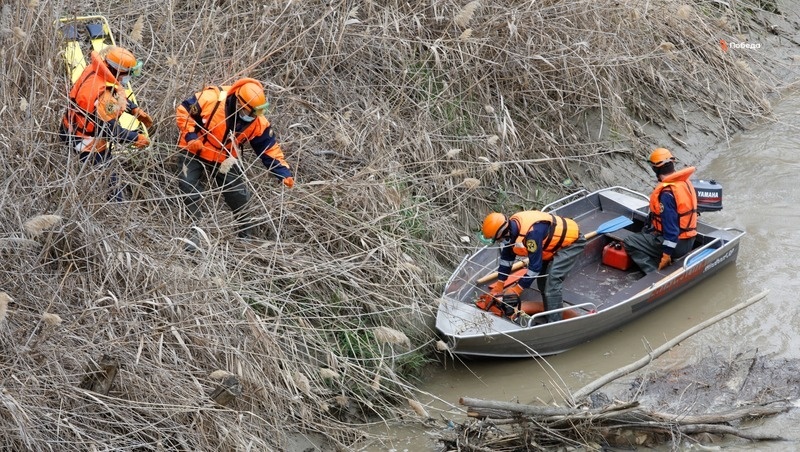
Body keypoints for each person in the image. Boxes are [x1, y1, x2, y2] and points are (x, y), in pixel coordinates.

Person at [175, 78, 293, 240]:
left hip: (225, 157)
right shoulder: (210, 100)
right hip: (195, 150)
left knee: (238, 195)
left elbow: (268, 147)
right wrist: (191, 136)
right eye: (250, 112)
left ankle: (247, 236)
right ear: (239, 103)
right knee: (188, 187)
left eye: (258, 112)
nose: (254, 116)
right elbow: (184, 111)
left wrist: (282, 171)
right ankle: (193, 233)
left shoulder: (258, 122)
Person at [59, 46, 152, 200]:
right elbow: (111, 133)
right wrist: (136, 138)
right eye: (128, 74)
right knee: (110, 177)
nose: (128, 78)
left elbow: (113, 92)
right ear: (119, 71)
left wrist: (133, 109)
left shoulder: (96, 71)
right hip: (82, 139)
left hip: (68, 126)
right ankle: (117, 205)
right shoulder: (104, 98)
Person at [480, 211, 586, 323]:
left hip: (571, 244)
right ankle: (550, 311)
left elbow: (535, 268)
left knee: (552, 280)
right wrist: (500, 284)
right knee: (542, 283)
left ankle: (555, 322)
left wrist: (517, 289)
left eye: (498, 240)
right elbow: (506, 260)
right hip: (549, 247)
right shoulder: (510, 231)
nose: (499, 242)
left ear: (502, 233)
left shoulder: (532, 235)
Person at [623, 148, 698, 274]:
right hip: (690, 240)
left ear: (655, 169)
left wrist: (666, 255)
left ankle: (655, 273)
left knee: (630, 241)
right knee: (646, 232)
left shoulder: (667, 194)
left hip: (676, 245)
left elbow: (672, 231)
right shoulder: (684, 182)